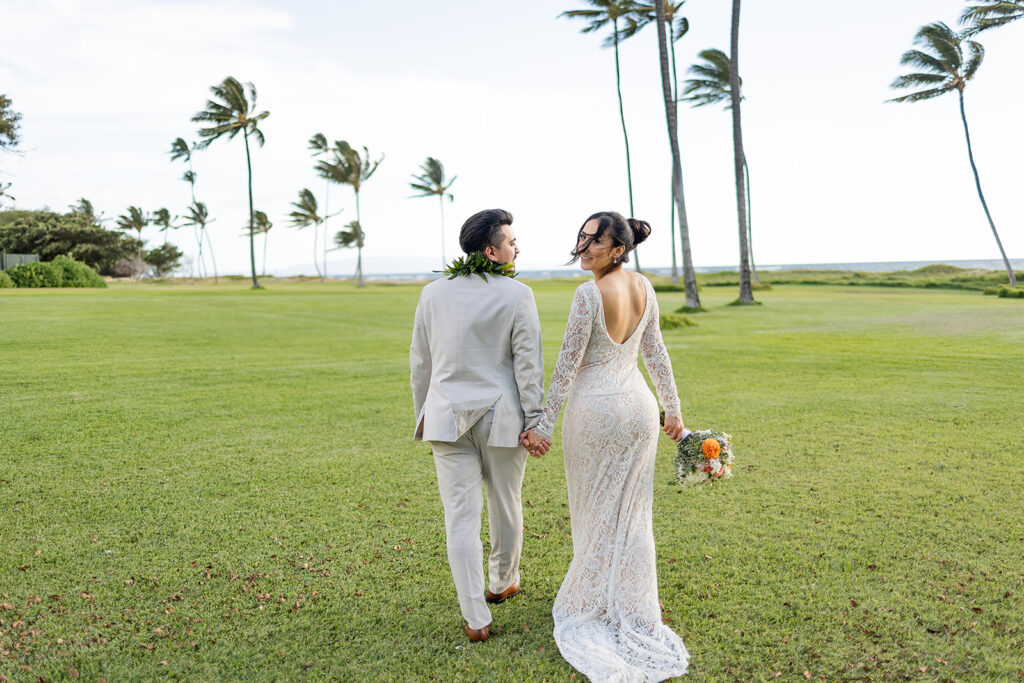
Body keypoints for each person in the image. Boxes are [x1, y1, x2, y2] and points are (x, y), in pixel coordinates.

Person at [521, 211, 690, 680]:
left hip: (595, 413)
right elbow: (655, 352)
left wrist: (544, 426)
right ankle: (631, 601)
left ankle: (597, 602)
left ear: (619, 249)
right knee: (632, 511)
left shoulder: (588, 294)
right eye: (582, 237)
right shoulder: (644, 287)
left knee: (595, 510)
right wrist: (671, 409)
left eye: (596, 241)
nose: (584, 246)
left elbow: (567, 365)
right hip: (637, 409)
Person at [410, 208, 548, 643]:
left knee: (460, 519)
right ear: (491, 251)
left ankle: (475, 618)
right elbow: (528, 366)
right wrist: (535, 420)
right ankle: (501, 581)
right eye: (510, 242)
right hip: (501, 416)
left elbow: (421, 362)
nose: (517, 247)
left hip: (445, 417)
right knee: (506, 502)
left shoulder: (432, 293)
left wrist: (425, 413)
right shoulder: (518, 294)